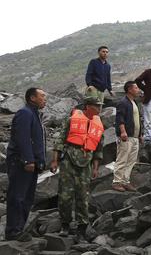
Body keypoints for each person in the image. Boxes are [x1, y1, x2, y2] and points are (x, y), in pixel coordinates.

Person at [50, 87, 105, 241]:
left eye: (100, 106)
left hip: (86, 163)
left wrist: (95, 168)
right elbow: (60, 141)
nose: (100, 109)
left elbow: (99, 149)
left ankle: (82, 228)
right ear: (88, 106)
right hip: (68, 160)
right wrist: (55, 160)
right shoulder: (72, 120)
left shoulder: (98, 125)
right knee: (65, 195)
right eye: (97, 106)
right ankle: (65, 224)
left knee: (83, 196)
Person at [5, 88, 47, 242]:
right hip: (21, 163)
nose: (45, 99)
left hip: (31, 163)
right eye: (42, 96)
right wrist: (28, 160)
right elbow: (23, 138)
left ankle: (19, 229)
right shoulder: (25, 113)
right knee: (18, 196)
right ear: (32, 98)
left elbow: (37, 140)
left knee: (27, 198)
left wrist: (40, 162)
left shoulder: (35, 114)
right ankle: (13, 231)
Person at [112, 81, 143, 192]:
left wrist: (140, 135)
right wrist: (123, 132)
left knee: (131, 160)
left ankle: (125, 181)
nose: (138, 89)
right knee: (122, 159)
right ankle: (116, 182)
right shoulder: (123, 102)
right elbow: (120, 118)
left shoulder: (134, 102)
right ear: (129, 89)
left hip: (134, 137)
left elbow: (137, 120)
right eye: (136, 87)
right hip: (126, 136)